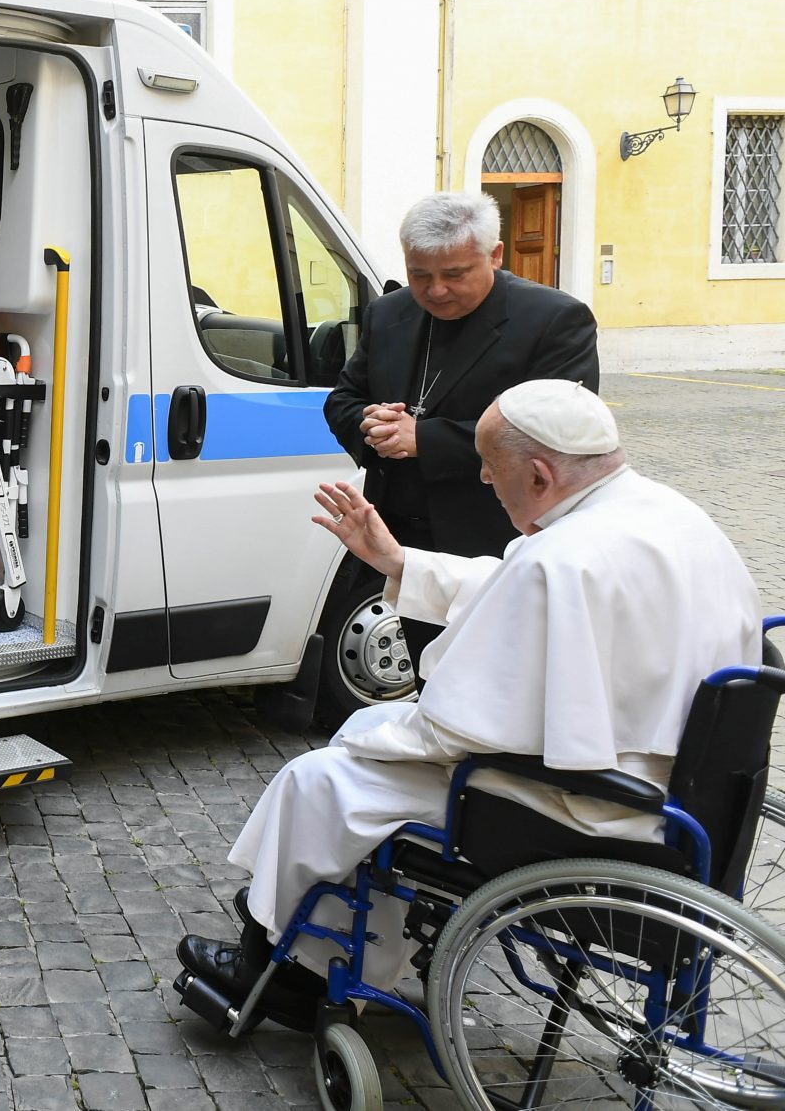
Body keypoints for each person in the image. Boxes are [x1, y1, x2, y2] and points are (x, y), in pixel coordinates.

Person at [179, 381, 762, 1027]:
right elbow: (529, 585)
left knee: (323, 777)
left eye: (492, 465)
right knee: (359, 757)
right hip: (677, 797)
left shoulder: (561, 556)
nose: (484, 476)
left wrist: (372, 736)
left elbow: (458, 725)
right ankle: (318, 938)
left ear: (539, 473)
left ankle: (285, 970)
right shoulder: (670, 514)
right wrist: (400, 561)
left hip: (583, 806)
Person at [325, 192, 598, 563]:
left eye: (455, 274)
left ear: (495, 255)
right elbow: (343, 399)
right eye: (419, 274)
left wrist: (424, 438)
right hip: (397, 536)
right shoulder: (388, 313)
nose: (435, 290)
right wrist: (374, 426)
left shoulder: (554, 320)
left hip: (496, 540)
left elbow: (560, 432)